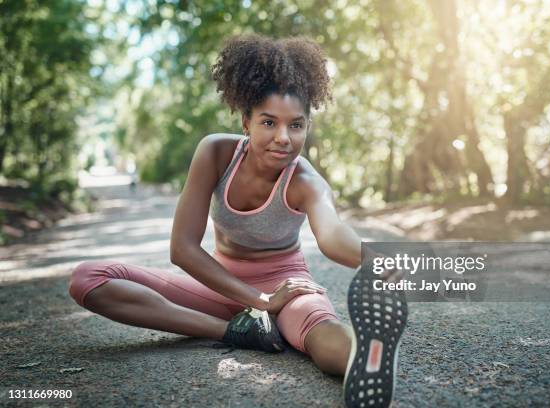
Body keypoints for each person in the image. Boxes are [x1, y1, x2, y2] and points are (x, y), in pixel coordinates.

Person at [68, 34, 406, 407]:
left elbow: (333, 235)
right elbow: (182, 249)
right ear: (245, 122)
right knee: (89, 279)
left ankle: (367, 360)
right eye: (268, 122)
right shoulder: (215, 152)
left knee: (321, 332)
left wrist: (383, 261)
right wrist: (258, 302)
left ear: (308, 126)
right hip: (218, 289)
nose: (283, 138)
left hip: (285, 290)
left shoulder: (306, 181)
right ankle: (237, 332)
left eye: (296, 125)